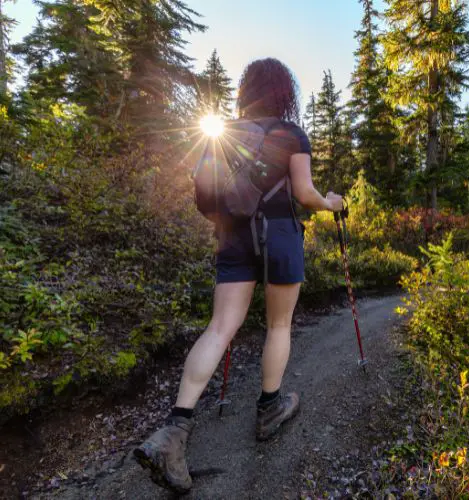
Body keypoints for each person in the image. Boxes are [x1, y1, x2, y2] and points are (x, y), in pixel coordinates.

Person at [133, 58, 344, 493]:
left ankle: (174, 431)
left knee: (220, 327)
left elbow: (208, 196)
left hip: (232, 237)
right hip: (280, 233)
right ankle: (269, 408)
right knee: (279, 324)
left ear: (246, 91)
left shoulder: (226, 132)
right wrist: (332, 203)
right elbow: (304, 194)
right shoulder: (291, 134)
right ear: (285, 92)